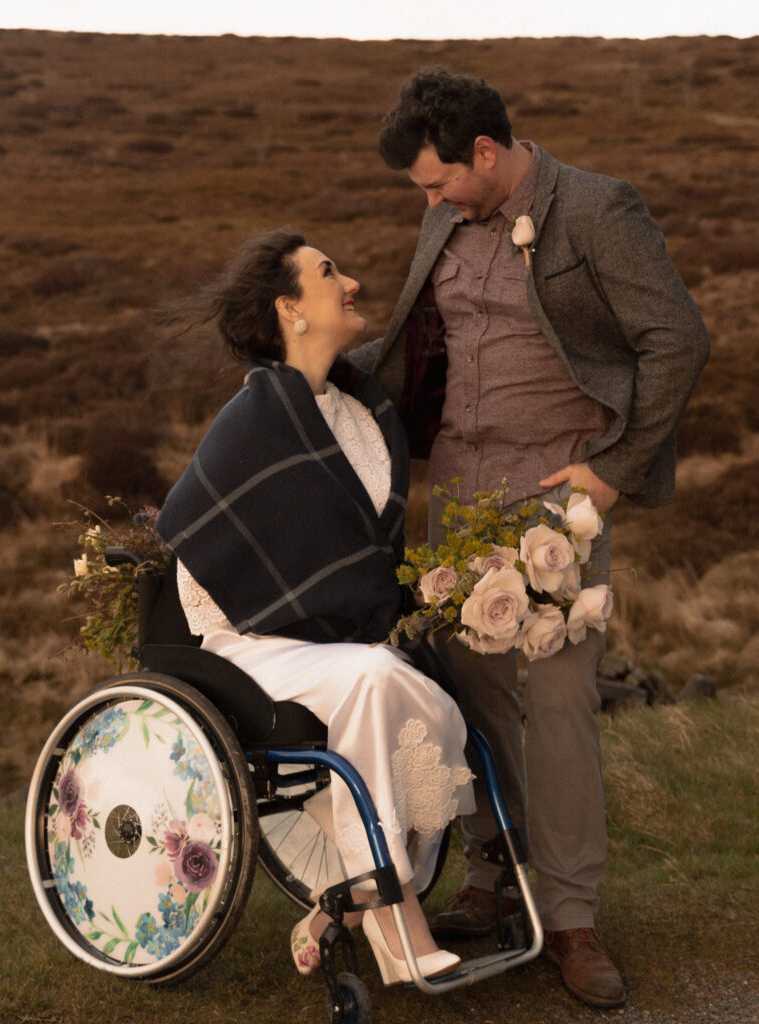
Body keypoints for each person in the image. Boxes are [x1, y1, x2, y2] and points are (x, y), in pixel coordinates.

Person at [350, 68, 709, 1008]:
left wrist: (613, 470)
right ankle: (491, 879)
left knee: (555, 703)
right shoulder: (445, 219)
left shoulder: (596, 207)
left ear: (484, 152)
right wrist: (294, 363)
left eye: (436, 182)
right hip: (458, 498)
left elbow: (678, 336)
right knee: (462, 697)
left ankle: (575, 917)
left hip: (558, 498)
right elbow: (413, 340)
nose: (428, 202)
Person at [156, 228, 475, 986]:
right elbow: (201, 546)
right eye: (331, 273)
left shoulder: (365, 413)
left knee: (439, 708)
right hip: (250, 640)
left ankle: (352, 898)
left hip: (342, 642)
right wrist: (304, 610)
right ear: (291, 309)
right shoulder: (254, 419)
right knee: (373, 681)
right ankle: (398, 917)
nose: (353, 282)